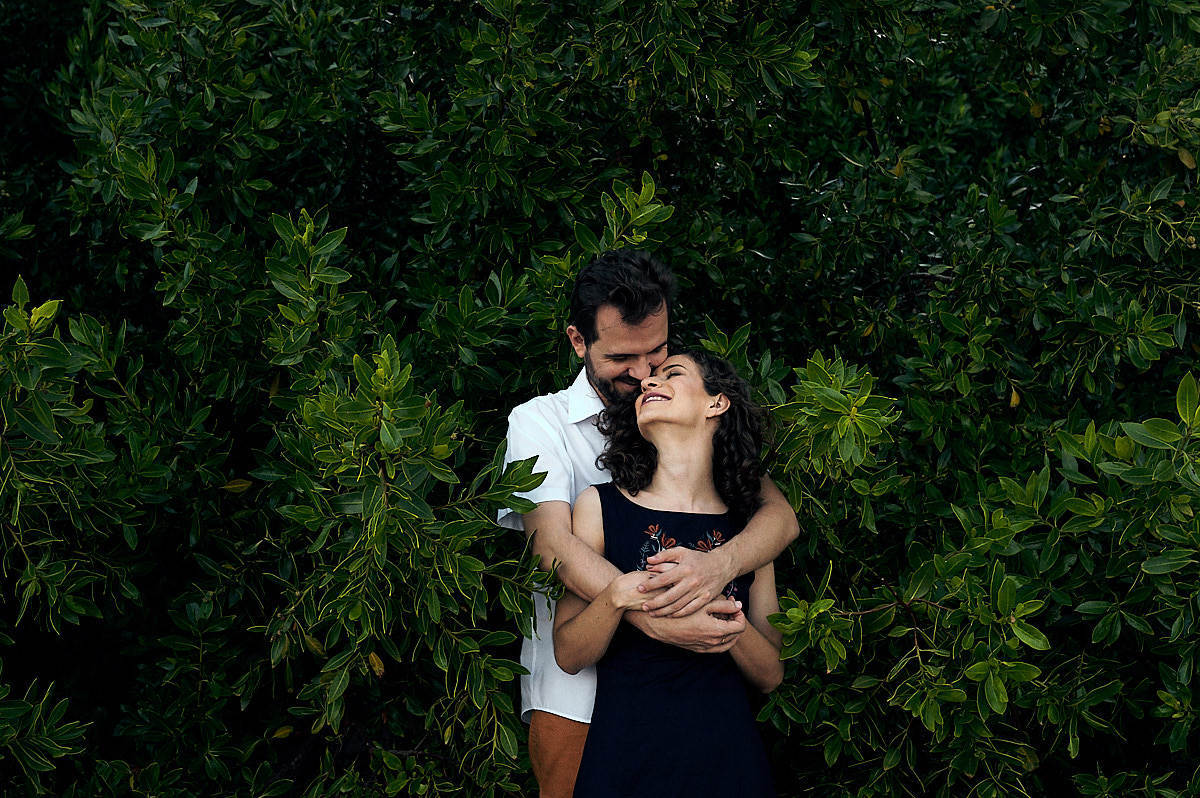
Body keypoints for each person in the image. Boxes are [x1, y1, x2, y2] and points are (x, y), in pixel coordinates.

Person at [497, 250, 798, 797]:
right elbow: (550, 544)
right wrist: (657, 614)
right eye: (622, 357)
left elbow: (776, 516)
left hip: (699, 710)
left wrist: (715, 568)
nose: (642, 374)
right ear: (578, 341)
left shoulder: (679, 424)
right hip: (576, 696)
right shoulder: (540, 423)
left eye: (656, 352)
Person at [554, 349, 782, 797]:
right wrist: (620, 594)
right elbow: (568, 652)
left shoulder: (750, 529)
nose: (648, 383)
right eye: (648, 379)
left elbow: (772, 673)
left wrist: (725, 625)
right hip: (626, 758)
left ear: (716, 403)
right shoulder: (600, 507)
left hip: (728, 764)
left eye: (670, 374)